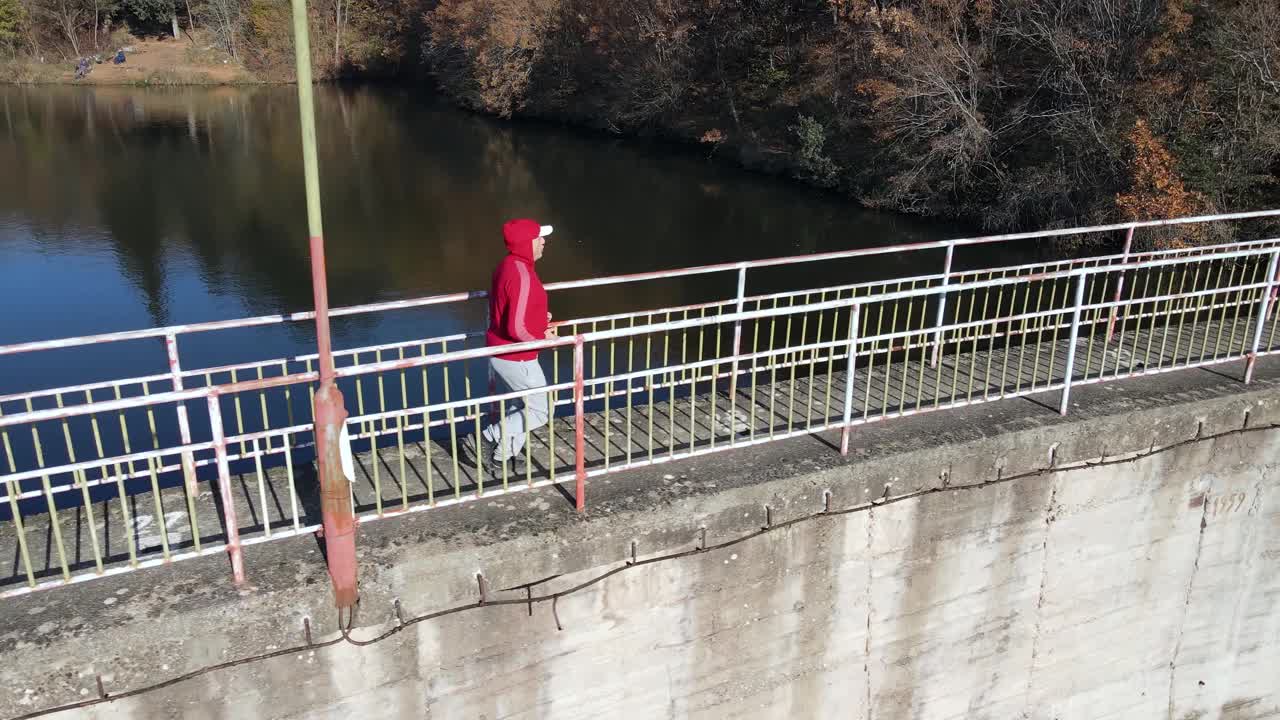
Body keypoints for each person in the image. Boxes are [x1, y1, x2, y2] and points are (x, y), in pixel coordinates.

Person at [463, 218, 557, 466]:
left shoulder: (508, 265)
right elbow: (516, 328)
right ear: (528, 243)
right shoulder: (521, 274)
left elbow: (511, 310)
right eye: (539, 237)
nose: (544, 241)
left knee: (522, 406)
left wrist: (538, 319)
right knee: (541, 410)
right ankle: (484, 437)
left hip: (503, 352)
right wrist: (543, 339)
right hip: (517, 356)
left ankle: (503, 456)